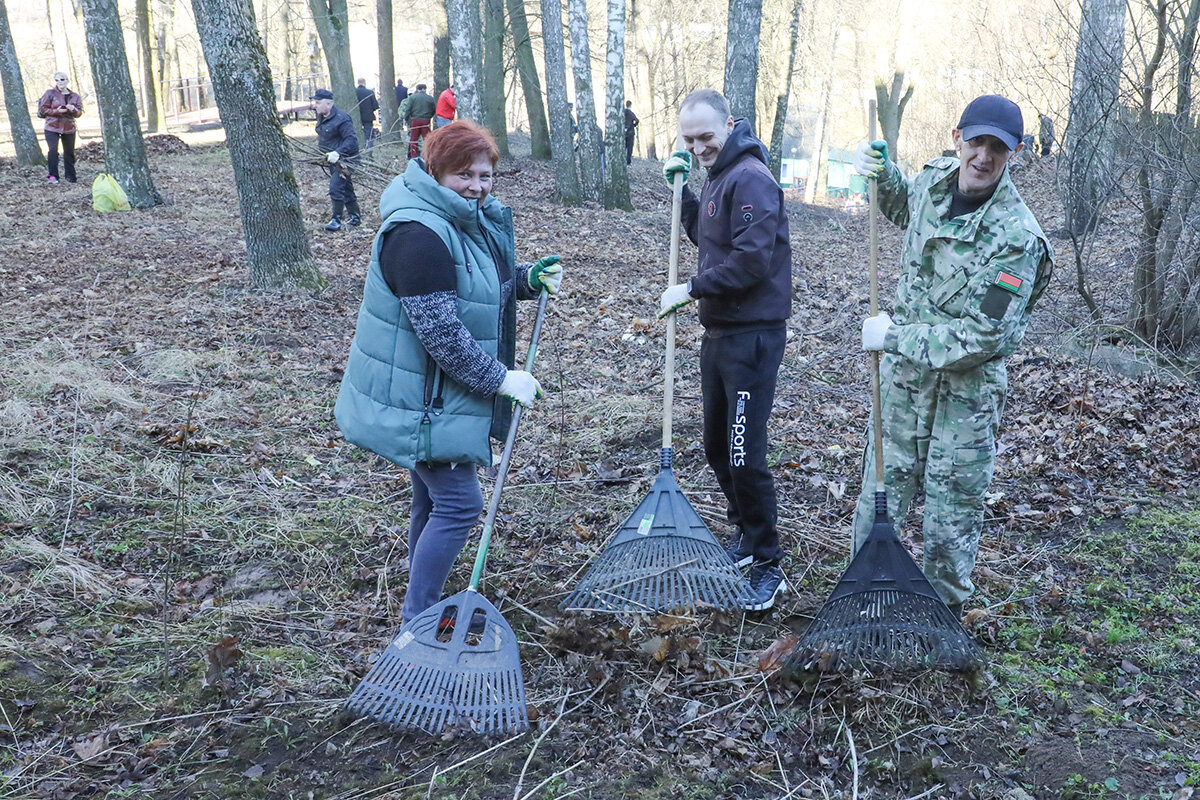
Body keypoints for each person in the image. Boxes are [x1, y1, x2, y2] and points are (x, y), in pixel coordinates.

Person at [334, 120, 565, 626]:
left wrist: (526, 280)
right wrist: (501, 379)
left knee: (431, 500)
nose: (477, 186)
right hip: (422, 402)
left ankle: (424, 603)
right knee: (459, 505)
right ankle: (418, 617)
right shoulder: (417, 234)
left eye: (485, 175)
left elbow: (473, 286)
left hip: (435, 397)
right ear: (435, 170)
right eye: (465, 174)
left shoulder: (456, 219)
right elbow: (443, 336)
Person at [850, 94, 1054, 615]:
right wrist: (883, 175)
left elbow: (983, 336)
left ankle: (940, 625)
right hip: (903, 384)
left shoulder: (1018, 239)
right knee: (880, 496)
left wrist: (893, 337)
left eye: (997, 148)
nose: (983, 157)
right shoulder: (933, 182)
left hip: (965, 397)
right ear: (957, 138)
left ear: (1014, 153)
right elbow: (904, 206)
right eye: (976, 142)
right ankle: (862, 603)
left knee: (950, 519)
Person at [657, 89, 793, 611]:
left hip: (752, 337)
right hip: (719, 333)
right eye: (688, 140)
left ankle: (767, 562)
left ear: (730, 125)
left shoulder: (751, 177)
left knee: (743, 452)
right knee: (717, 446)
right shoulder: (718, 175)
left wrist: (692, 289)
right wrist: (685, 197)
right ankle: (745, 534)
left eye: (706, 137)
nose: (697, 148)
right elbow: (709, 237)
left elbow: (752, 260)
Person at [312, 88, 361, 231]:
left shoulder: (342, 118)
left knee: (336, 187)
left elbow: (351, 140)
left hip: (346, 160)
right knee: (346, 188)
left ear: (328, 104)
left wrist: (337, 153)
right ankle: (355, 218)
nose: (315, 105)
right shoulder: (322, 116)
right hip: (332, 160)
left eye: (318, 102)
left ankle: (336, 220)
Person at [37, 72, 83, 184]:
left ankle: (71, 177)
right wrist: (57, 111)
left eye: (62, 79)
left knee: (69, 152)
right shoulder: (49, 93)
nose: (59, 82)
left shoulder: (75, 96)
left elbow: (79, 113)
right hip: (52, 127)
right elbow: (43, 110)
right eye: (57, 80)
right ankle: (53, 176)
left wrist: (73, 109)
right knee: (53, 151)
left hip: (68, 127)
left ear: (67, 80)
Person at [404, 83, 436, 159]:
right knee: (427, 139)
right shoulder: (430, 98)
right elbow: (434, 110)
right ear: (425, 89)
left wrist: (407, 118)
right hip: (425, 120)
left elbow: (408, 109)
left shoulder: (412, 97)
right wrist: (429, 117)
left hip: (415, 120)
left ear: (417, 89)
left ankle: (414, 156)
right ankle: (427, 155)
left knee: (414, 139)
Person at [355, 78, 380, 148]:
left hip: (356, 117)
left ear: (358, 83)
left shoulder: (354, 92)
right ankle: (369, 150)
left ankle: (359, 148)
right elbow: (375, 106)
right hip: (368, 117)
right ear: (364, 83)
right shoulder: (370, 92)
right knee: (369, 135)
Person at [623, 100, 639, 165]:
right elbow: (637, 120)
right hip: (630, 132)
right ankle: (628, 162)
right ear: (630, 105)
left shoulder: (622, 112)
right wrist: (634, 125)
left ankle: (623, 160)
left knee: (624, 147)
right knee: (629, 148)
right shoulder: (631, 113)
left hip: (623, 132)